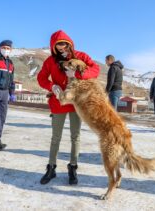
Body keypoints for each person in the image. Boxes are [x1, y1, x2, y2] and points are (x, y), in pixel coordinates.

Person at [37, 30, 100, 185]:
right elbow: (41, 77)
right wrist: (51, 86)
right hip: (58, 102)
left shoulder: (81, 56)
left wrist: (78, 75)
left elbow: (95, 70)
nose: (62, 47)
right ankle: (51, 168)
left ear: (69, 43)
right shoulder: (50, 61)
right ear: (54, 46)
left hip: (76, 103)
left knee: (75, 136)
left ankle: (73, 167)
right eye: (58, 45)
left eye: (64, 44)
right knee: (55, 137)